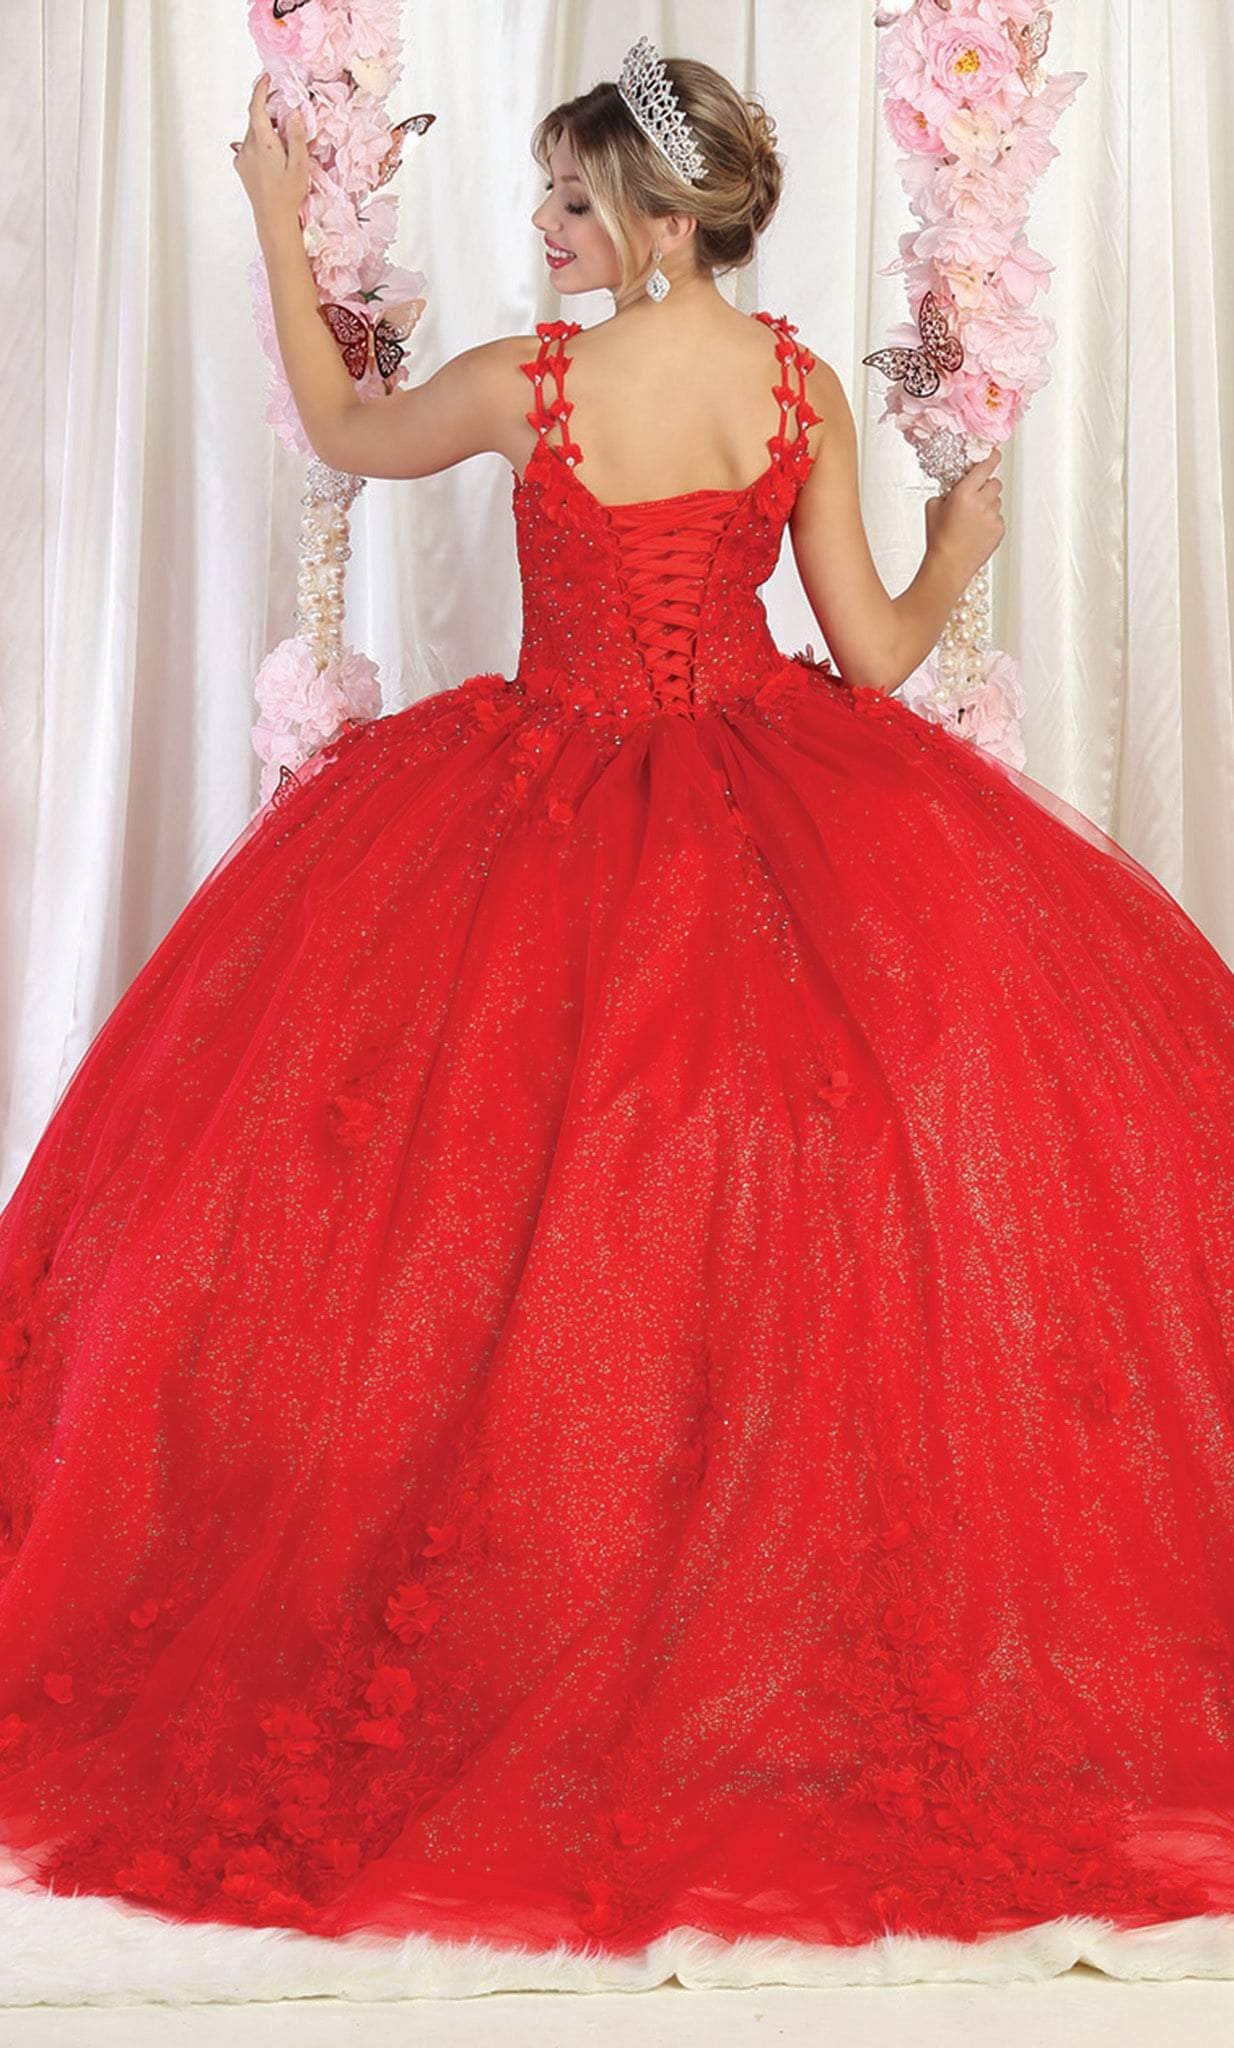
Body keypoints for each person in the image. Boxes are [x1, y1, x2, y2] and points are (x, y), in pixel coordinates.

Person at [1, 36, 1233, 2001]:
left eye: (570, 199)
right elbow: (874, 656)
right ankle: (722, 1609)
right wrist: (955, 550)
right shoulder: (796, 390)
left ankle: (600, 1595)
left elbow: (343, 431)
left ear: (662, 221)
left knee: (498, 1200)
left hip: (547, 799)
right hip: (766, 799)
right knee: (769, 1199)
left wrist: (273, 220)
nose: (541, 224)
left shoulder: (536, 385)